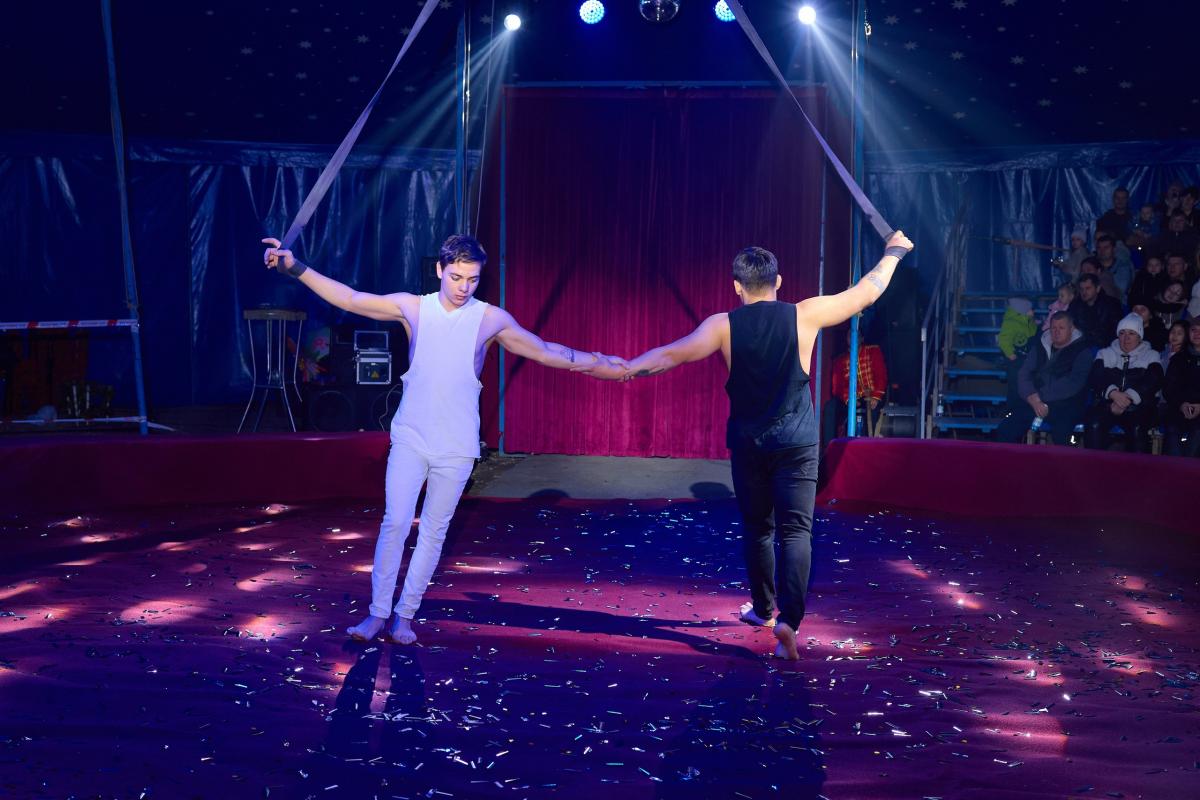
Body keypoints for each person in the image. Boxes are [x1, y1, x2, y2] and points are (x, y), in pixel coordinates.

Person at [261, 234, 628, 645]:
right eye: (456, 277)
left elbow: (545, 351)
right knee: (396, 522)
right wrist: (295, 267)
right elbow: (350, 298)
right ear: (439, 270)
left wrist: (600, 363)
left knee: (434, 532)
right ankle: (377, 614)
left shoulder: (490, 319)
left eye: (472, 279)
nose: (463, 287)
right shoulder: (413, 308)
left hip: (456, 446)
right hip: (411, 438)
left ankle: (404, 616)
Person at [583, 231, 914, 660]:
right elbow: (866, 291)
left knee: (759, 528)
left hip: (750, 445)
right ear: (779, 282)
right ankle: (789, 622)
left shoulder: (722, 326)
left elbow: (669, 356)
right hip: (796, 444)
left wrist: (627, 368)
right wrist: (893, 252)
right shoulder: (805, 314)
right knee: (797, 531)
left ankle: (763, 610)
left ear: (737, 287)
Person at [994, 311, 1092, 446]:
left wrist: (1039, 397)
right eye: (1053, 328)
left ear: (1071, 329)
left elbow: (1072, 383)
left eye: (1061, 328)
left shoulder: (1083, 351)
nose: (1056, 332)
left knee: (1062, 435)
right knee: (1006, 428)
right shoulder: (1040, 347)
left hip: (1067, 404)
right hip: (1035, 401)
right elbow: (1024, 374)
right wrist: (1031, 396)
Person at [1084, 313, 1163, 453]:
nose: (1126, 338)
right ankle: (1094, 463)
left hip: (1140, 407)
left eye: (1131, 333)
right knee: (1093, 423)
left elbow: (1153, 381)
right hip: (1108, 404)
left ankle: (1137, 466)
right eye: (1122, 333)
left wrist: (1128, 398)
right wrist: (1113, 394)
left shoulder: (1152, 355)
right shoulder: (1104, 354)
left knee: (1137, 428)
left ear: (1139, 337)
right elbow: (1095, 378)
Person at [821, 331, 888, 448]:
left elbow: (881, 375)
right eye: (850, 336)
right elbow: (837, 387)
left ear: (862, 338)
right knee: (830, 407)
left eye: (856, 336)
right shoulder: (840, 360)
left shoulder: (873, 351)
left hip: (872, 396)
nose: (853, 339)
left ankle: (867, 446)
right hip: (850, 397)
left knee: (872, 412)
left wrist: (876, 397)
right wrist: (848, 398)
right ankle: (829, 447)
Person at [1163, 318, 1200, 457]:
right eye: (1194, 330)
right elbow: (1169, 388)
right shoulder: (1179, 359)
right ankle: (1174, 468)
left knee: (1197, 433)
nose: (1197, 334)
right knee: (1172, 429)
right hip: (1179, 408)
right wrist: (1181, 404)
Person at [999, 297, 1038, 406]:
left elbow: (1033, 333)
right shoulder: (1010, 323)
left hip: (1025, 358)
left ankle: (1022, 406)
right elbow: (1003, 339)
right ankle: (1012, 409)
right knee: (1014, 384)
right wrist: (1010, 354)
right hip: (1015, 359)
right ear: (1023, 310)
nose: (1033, 312)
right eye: (1031, 309)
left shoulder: (1028, 321)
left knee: (1025, 383)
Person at [1068, 273, 1122, 349]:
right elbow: (1070, 326)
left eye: (1088, 288)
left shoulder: (1112, 304)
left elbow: (1116, 331)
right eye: (1081, 289)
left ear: (1097, 288)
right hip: (1080, 346)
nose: (1084, 292)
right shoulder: (1075, 305)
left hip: (1106, 346)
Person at [1094, 233, 1133, 301]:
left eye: (1106, 247)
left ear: (1114, 249)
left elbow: (1120, 291)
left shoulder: (1123, 267)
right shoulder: (1092, 265)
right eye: (1099, 248)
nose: (1102, 251)